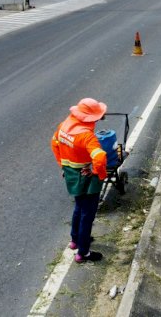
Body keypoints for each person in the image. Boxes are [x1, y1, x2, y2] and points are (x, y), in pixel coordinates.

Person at [51, 98, 108, 263]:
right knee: (87, 214)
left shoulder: (64, 127)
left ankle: (75, 240)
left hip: (71, 175)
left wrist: (63, 165)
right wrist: (97, 172)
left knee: (78, 207)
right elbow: (100, 156)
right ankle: (83, 252)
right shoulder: (86, 136)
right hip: (86, 177)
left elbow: (54, 144)